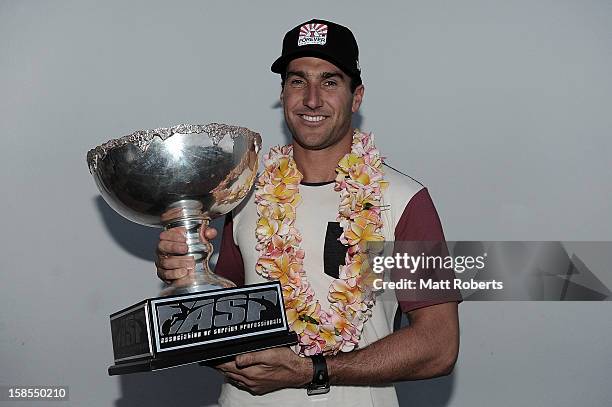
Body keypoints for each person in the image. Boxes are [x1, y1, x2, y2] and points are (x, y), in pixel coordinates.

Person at [155, 19, 461, 407]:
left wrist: (313, 370)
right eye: (298, 81)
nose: (312, 99)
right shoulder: (242, 196)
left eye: (330, 82)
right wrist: (185, 271)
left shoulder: (403, 201)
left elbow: (439, 345)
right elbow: (225, 312)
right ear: (282, 94)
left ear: (357, 96)